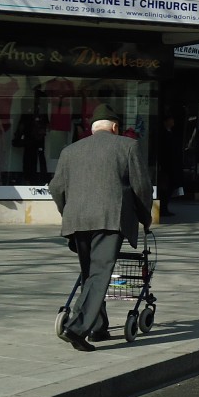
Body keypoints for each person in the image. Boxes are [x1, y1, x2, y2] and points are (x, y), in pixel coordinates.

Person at [49, 103, 153, 352]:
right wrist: (144, 218)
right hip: (109, 218)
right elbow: (141, 188)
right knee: (100, 273)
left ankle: (98, 327)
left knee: (90, 274)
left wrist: (68, 211)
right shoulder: (128, 146)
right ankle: (77, 328)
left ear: (93, 128)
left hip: (77, 220)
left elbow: (56, 188)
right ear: (115, 127)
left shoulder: (70, 150)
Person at [157, 113, 183, 217]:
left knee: (169, 187)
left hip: (172, 165)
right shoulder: (163, 134)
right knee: (165, 188)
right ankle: (163, 208)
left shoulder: (171, 133)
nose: (173, 122)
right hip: (166, 165)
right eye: (170, 120)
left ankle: (165, 207)